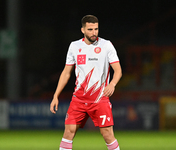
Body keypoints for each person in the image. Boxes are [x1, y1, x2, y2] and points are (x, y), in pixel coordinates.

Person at [50, 15, 122, 150]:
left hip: (100, 99)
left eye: (96, 29)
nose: (94, 33)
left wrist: (112, 84)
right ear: (82, 30)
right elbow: (66, 73)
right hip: (79, 99)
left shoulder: (106, 45)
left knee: (107, 134)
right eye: (90, 29)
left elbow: (118, 70)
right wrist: (56, 96)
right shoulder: (74, 46)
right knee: (68, 132)